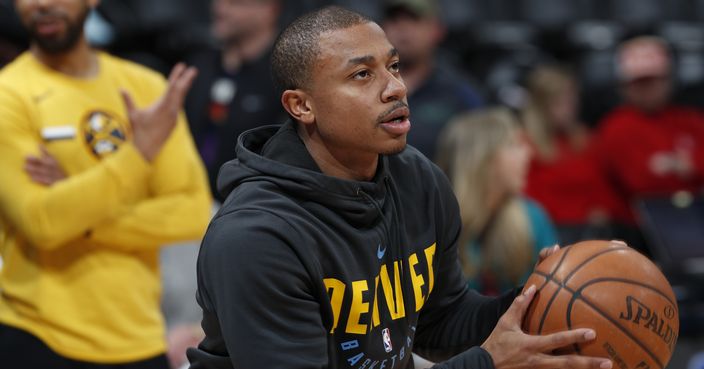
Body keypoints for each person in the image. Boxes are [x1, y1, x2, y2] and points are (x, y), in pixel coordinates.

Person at [187, 6, 613, 369]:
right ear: (302, 106)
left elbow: (438, 321)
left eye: (393, 66)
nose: (396, 87)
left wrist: (539, 300)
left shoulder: (417, 178)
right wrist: (487, 362)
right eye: (361, 75)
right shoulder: (256, 236)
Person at [0, 0, 211, 368]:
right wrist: (139, 154)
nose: (43, 4)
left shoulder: (147, 87)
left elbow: (191, 212)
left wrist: (75, 198)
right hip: (36, 333)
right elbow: (43, 224)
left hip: (141, 336)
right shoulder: (8, 95)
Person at [435, 108, 558, 296]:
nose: (528, 154)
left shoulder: (532, 217)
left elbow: (554, 297)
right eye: (515, 144)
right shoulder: (437, 225)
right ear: (483, 159)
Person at [184, 0, 287, 200]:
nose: (220, 9)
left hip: (250, 204)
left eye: (235, 3)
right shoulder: (198, 65)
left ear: (270, 10)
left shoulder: (285, 76)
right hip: (190, 200)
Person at [595, 36, 704, 221]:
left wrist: (689, 166)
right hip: (638, 227)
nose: (647, 89)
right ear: (625, 87)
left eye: (653, 80)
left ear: (668, 80)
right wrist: (685, 168)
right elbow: (640, 183)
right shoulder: (615, 126)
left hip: (694, 216)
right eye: (639, 83)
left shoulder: (690, 120)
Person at [521, 65, 629, 244]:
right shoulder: (526, 146)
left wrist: (601, 210)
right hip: (550, 233)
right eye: (560, 102)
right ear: (541, 107)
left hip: (590, 231)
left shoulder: (585, 140)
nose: (569, 108)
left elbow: (603, 189)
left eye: (571, 100)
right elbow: (529, 203)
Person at [381, 0, 483, 160]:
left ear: (438, 30)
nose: (402, 28)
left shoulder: (460, 93)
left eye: (414, 19)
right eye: (394, 19)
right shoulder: (368, 89)